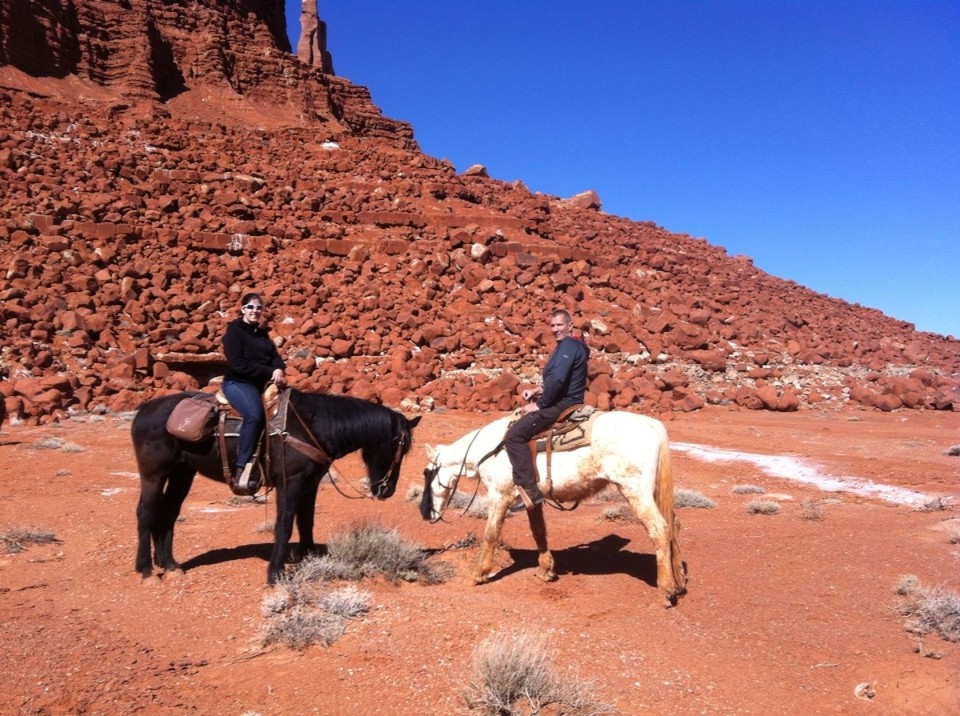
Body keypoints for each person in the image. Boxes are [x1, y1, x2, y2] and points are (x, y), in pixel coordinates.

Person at [504, 309, 589, 512]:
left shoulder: (568, 345)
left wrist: (540, 405)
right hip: (563, 398)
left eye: (559, 325)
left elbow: (559, 380)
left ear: (570, 325)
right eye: (552, 326)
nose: (555, 329)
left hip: (564, 403)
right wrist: (537, 390)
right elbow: (559, 380)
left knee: (514, 436)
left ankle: (531, 492)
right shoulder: (569, 346)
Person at [221, 293, 287, 494]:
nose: (255, 311)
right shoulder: (234, 333)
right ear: (242, 309)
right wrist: (269, 371)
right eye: (250, 307)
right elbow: (237, 364)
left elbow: (275, 358)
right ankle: (242, 468)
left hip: (263, 385)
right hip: (238, 382)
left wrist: (278, 369)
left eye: (259, 308)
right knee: (255, 415)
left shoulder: (262, 333)